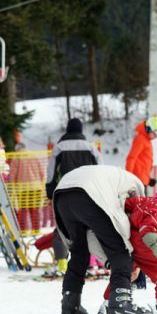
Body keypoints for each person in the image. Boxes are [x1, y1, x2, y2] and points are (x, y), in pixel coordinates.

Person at [54, 165, 154, 314]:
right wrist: (128, 262)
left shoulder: (117, 181)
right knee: (120, 250)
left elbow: (94, 236)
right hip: (89, 192)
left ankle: (70, 307)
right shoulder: (136, 187)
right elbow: (128, 227)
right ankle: (121, 305)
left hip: (62, 194)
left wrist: (109, 261)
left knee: (79, 252)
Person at [96, 187, 157, 314]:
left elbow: (126, 205)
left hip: (128, 240)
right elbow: (148, 233)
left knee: (128, 273)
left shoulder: (145, 200)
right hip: (142, 244)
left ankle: (110, 301)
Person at [45, 118, 101, 275]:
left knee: (62, 228)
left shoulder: (59, 148)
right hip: (87, 193)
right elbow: (100, 170)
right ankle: (92, 264)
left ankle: (62, 264)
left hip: (64, 193)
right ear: (81, 130)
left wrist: (50, 192)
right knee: (89, 228)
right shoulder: (91, 148)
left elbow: (50, 173)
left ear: (68, 130)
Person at [7, 142, 47, 236]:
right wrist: (42, 186)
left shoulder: (16, 157)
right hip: (36, 188)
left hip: (23, 189)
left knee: (23, 211)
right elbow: (42, 172)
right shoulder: (34, 155)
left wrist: (11, 188)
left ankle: (23, 232)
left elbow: (12, 175)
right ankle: (36, 231)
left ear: (17, 149)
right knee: (36, 210)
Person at [126, 116, 157, 189]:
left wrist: (148, 180)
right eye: (155, 134)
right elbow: (131, 158)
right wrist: (128, 177)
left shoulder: (147, 140)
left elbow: (143, 163)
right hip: (136, 181)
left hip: (142, 180)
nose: (155, 137)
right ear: (149, 129)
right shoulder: (141, 139)